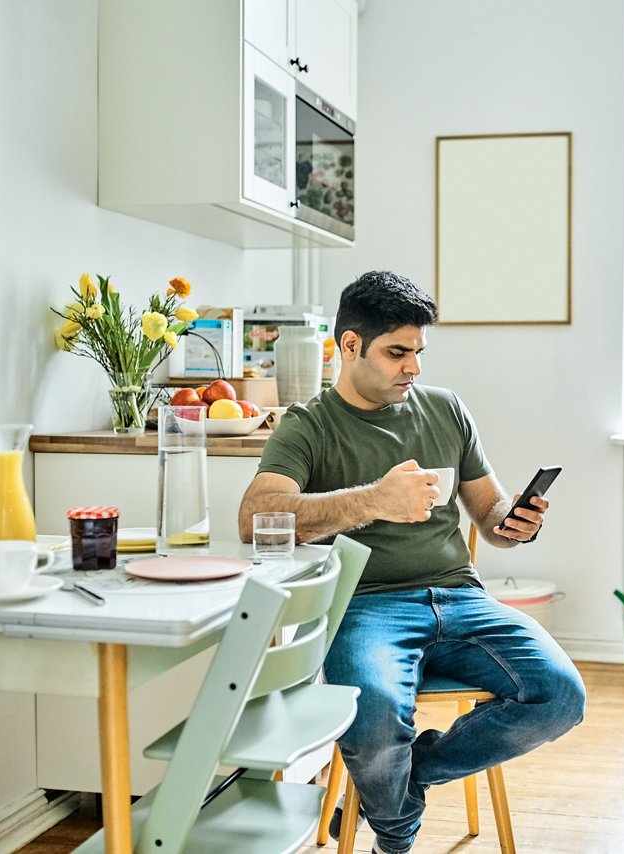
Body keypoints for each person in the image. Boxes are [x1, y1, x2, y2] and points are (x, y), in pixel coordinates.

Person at [238, 270, 586, 854]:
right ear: (350, 346)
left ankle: (408, 777)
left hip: (462, 599)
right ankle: (394, 839)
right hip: (365, 607)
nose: (414, 368)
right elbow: (255, 517)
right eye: (398, 352)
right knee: (371, 719)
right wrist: (373, 500)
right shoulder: (309, 424)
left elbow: (489, 513)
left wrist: (511, 524)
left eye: (419, 352)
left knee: (560, 695)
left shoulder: (446, 410)